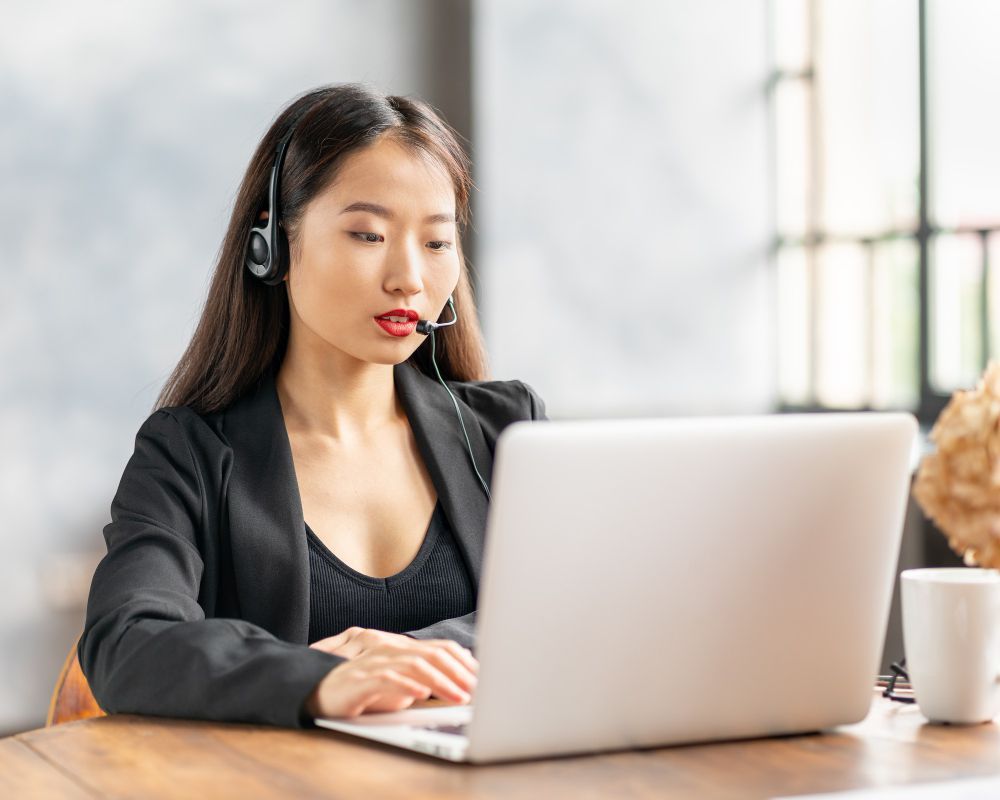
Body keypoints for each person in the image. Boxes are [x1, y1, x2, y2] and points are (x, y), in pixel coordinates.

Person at [78, 83, 548, 730]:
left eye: (437, 243)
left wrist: (408, 657)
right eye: (367, 234)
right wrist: (320, 678)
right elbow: (125, 644)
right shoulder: (187, 452)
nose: (409, 277)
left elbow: (570, 611)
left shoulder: (506, 431)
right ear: (272, 243)